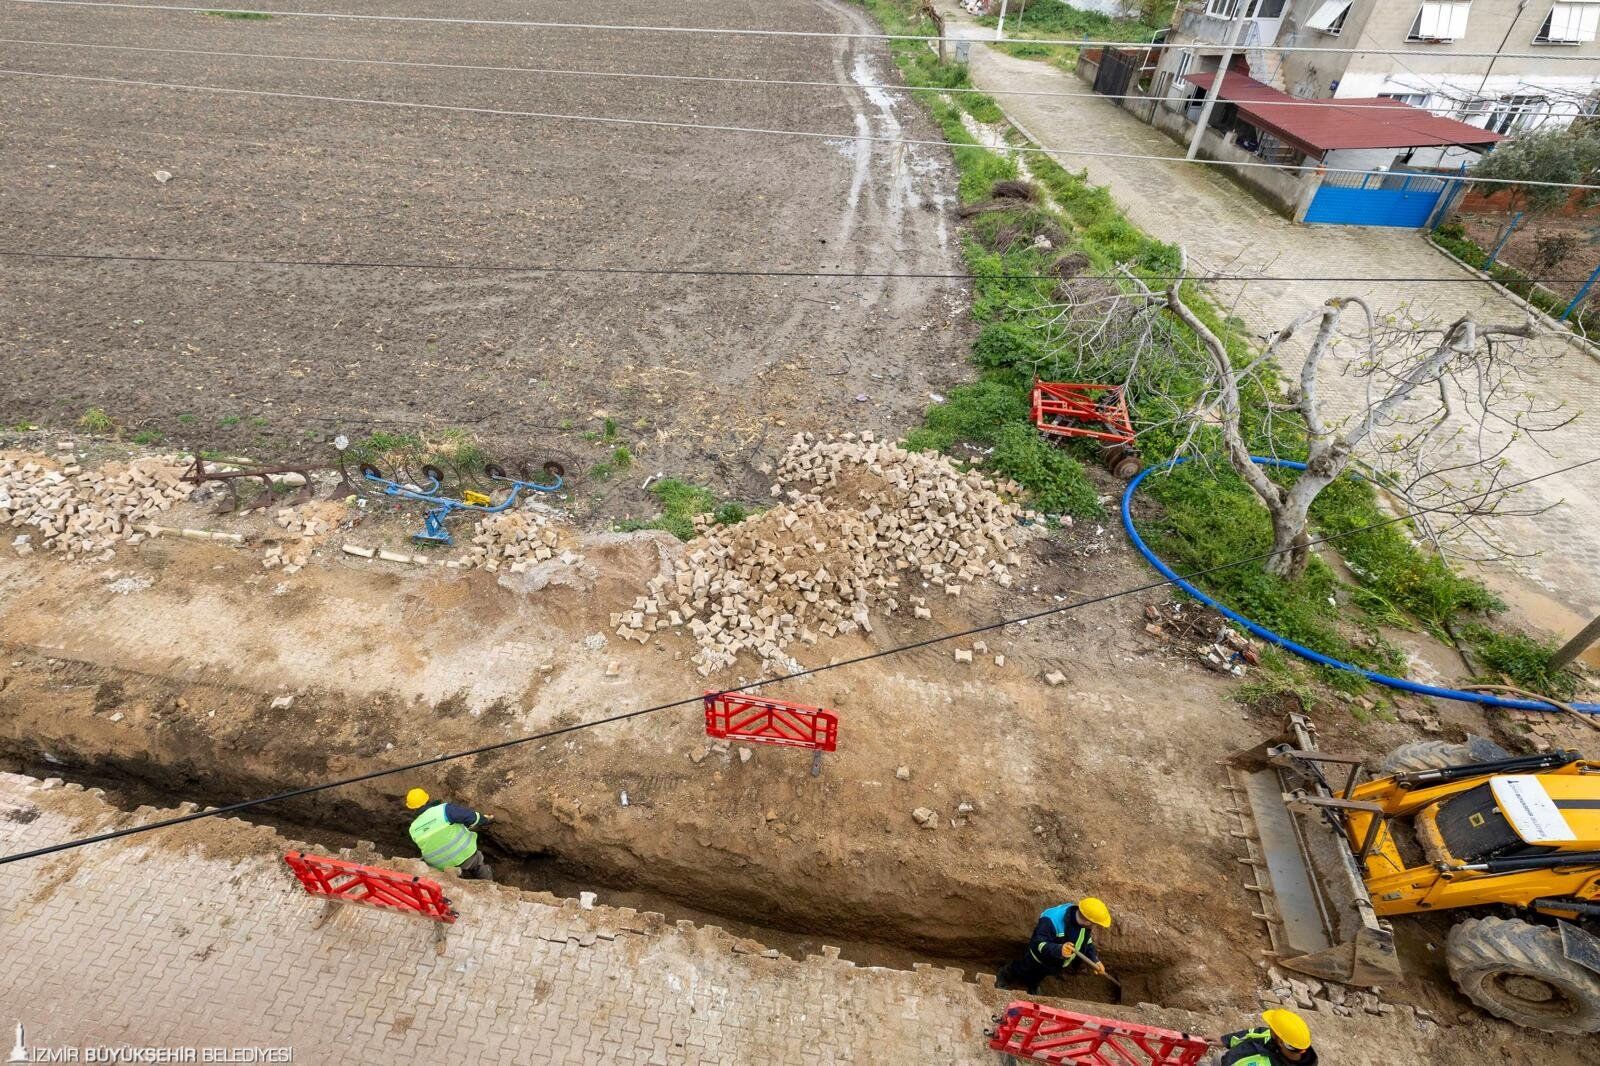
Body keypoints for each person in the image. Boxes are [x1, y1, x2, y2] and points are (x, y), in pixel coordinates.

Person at [995, 898, 1111, 994]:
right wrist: (1059, 949)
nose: (1095, 926)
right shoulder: (1051, 919)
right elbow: (1038, 943)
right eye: (1095, 924)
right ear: (1088, 921)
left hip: (1054, 963)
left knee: (1040, 975)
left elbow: (1087, 943)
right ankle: (1005, 975)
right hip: (1037, 958)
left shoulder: (1084, 926)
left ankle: (1033, 984)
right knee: (1022, 969)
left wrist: (1095, 960)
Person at [405, 787, 495, 881]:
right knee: (478, 863)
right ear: (427, 799)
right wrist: (483, 819)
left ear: (412, 808)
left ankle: (459, 879)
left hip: (442, 867)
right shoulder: (444, 810)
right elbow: (470, 817)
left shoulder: (413, 829)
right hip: (465, 855)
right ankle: (487, 883)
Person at [1212, 1009, 1317, 1066]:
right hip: (1226, 1059)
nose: (1269, 1028)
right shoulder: (1279, 1039)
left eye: (1271, 1028)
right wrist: (1226, 1040)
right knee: (1217, 1056)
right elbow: (1254, 1032)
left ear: (1280, 1041)